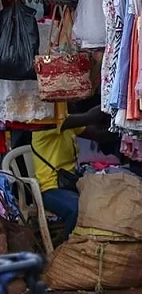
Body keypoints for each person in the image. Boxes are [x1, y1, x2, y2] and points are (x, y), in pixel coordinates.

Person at [31, 95, 114, 239]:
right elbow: (90, 117)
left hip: (70, 184)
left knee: (106, 199)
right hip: (49, 189)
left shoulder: (67, 124)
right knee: (76, 209)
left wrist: (124, 127)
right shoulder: (46, 124)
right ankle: (66, 248)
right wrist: (111, 101)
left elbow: (100, 136)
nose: (70, 102)